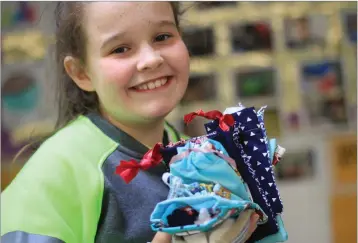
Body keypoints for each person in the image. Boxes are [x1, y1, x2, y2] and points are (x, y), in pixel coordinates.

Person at [1, 2, 259, 243]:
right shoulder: (54, 172)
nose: (151, 60)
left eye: (162, 37)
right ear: (81, 73)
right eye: (120, 49)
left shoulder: (190, 151)